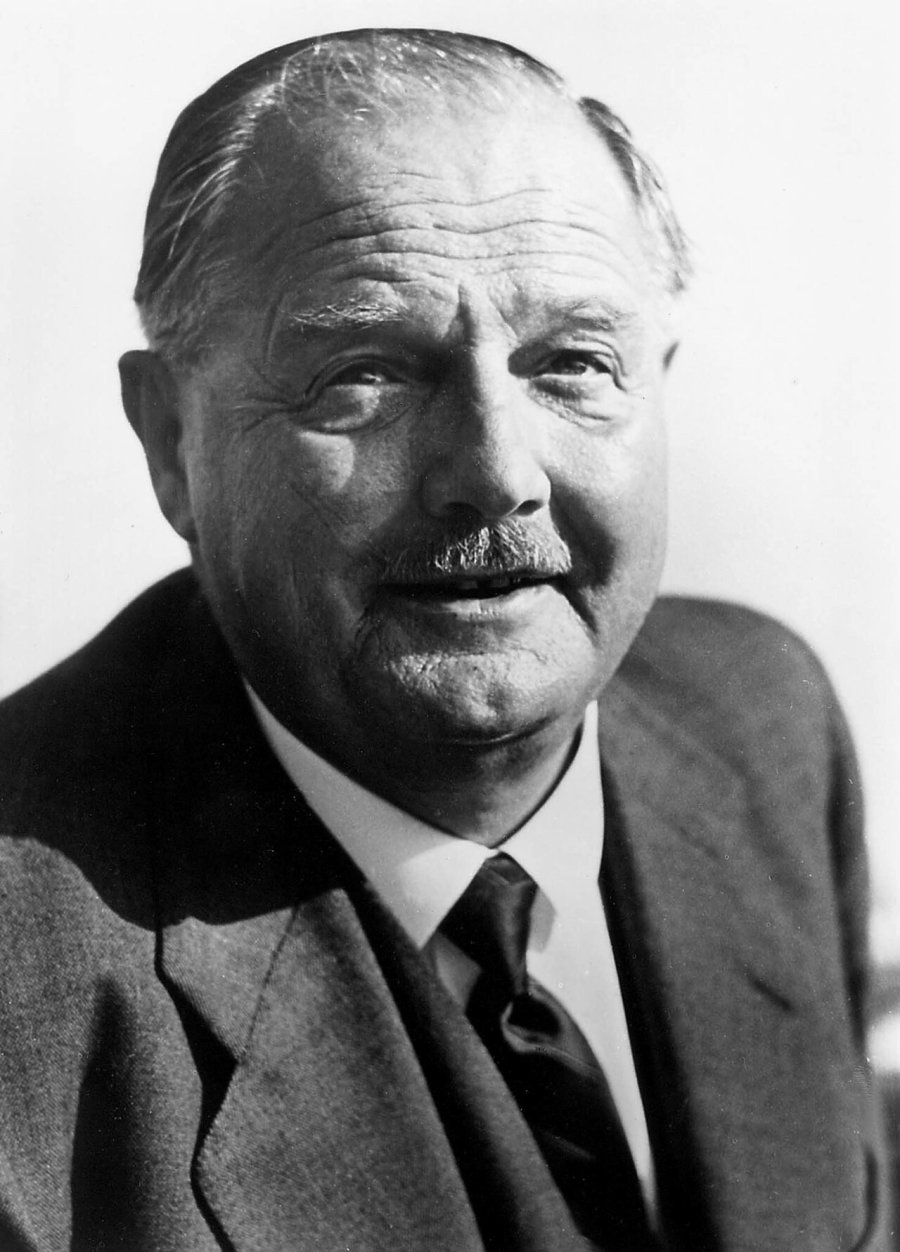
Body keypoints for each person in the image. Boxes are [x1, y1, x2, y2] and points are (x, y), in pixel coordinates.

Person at [0, 28, 887, 1252]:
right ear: (171, 444)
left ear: (659, 383)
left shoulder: (764, 719)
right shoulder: (23, 978)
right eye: (363, 373)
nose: (496, 471)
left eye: (573, 364)